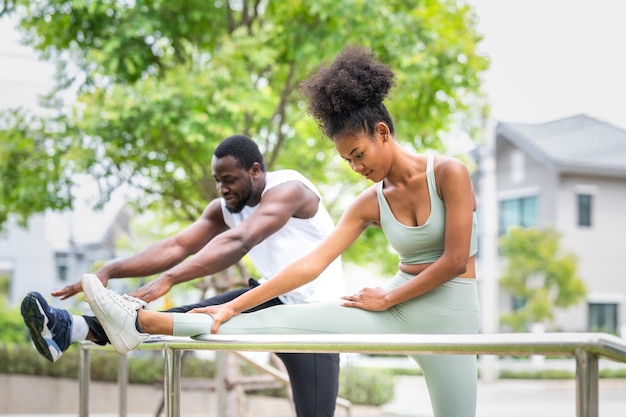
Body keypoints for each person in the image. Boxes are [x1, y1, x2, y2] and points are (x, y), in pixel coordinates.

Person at [81, 45, 481, 417]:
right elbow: (311, 263)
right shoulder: (368, 202)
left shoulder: (448, 173)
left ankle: (145, 321)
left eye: (358, 155)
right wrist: (234, 305)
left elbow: (454, 260)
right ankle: (139, 323)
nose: (355, 168)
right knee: (275, 319)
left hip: (449, 313)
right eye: (346, 160)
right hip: (393, 307)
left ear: (382, 132)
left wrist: (388, 296)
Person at [21, 134, 345, 417]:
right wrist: (108, 270)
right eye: (217, 180)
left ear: (255, 171)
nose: (222, 189)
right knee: (183, 318)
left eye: (229, 179)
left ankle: (75, 327)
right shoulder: (224, 207)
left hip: (313, 314)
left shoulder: (289, 189)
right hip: (269, 296)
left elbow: (242, 239)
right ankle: (70, 327)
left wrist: (169, 280)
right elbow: (177, 245)